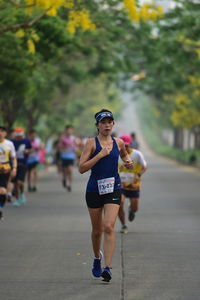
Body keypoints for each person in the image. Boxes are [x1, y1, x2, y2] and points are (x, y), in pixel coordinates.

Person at [79, 109, 133, 282]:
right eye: (103, 122)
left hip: (113, 188)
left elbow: (124, 155)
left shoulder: (118, 143)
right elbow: (81, 168)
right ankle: (97, 258)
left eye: (110, 122)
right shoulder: (91, 143)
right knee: (97, 231)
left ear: (113, 124)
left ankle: (107, 268)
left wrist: (127, 161)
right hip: (94, 190)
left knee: (109, 226)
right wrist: (100, 155)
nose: (107, 125)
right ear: (97, 126)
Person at [118, 134, 147, 234]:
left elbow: (145, 166)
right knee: (119, 203)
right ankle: (123, 225)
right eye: (122, 145)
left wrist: (138, 174)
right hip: (120, 185)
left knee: (135, 208)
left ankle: (131, 210)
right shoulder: (116, 155)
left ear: (130, 144)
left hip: (134, 185)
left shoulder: (137, 154)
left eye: (126, 145)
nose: (124, 147)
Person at [12, 127, 32, 206]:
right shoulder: (11, 142)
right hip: (13, 165)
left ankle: (22, 194)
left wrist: (27, 151)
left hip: (23, 164)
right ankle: (17, 199)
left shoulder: (26, 141)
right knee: (15, 184)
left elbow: (30, 149)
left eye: (20, 136)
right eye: (17, 136)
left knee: (20, 182)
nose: (19, 137)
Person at [0, 126, 17, 220]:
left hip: (5, 169)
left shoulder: (9, 144)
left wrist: (14, 168)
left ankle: (0, 208)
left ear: (5, 133)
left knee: (2, 190)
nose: (0, 133)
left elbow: (13, 158)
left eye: (2, 131)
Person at [59, 125, 77, 192]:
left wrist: (76, 156)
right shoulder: (62, 138)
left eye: (70, 130)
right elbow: (59, 146)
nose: (69, 131)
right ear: (65, 131)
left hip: (71, 156)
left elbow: (75, 147)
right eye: (68, 130)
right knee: (65, 171)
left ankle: (69, 184)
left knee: (70, 170)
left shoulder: (73, 138)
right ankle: (64, 179)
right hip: (64, 156)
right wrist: (64, 146)